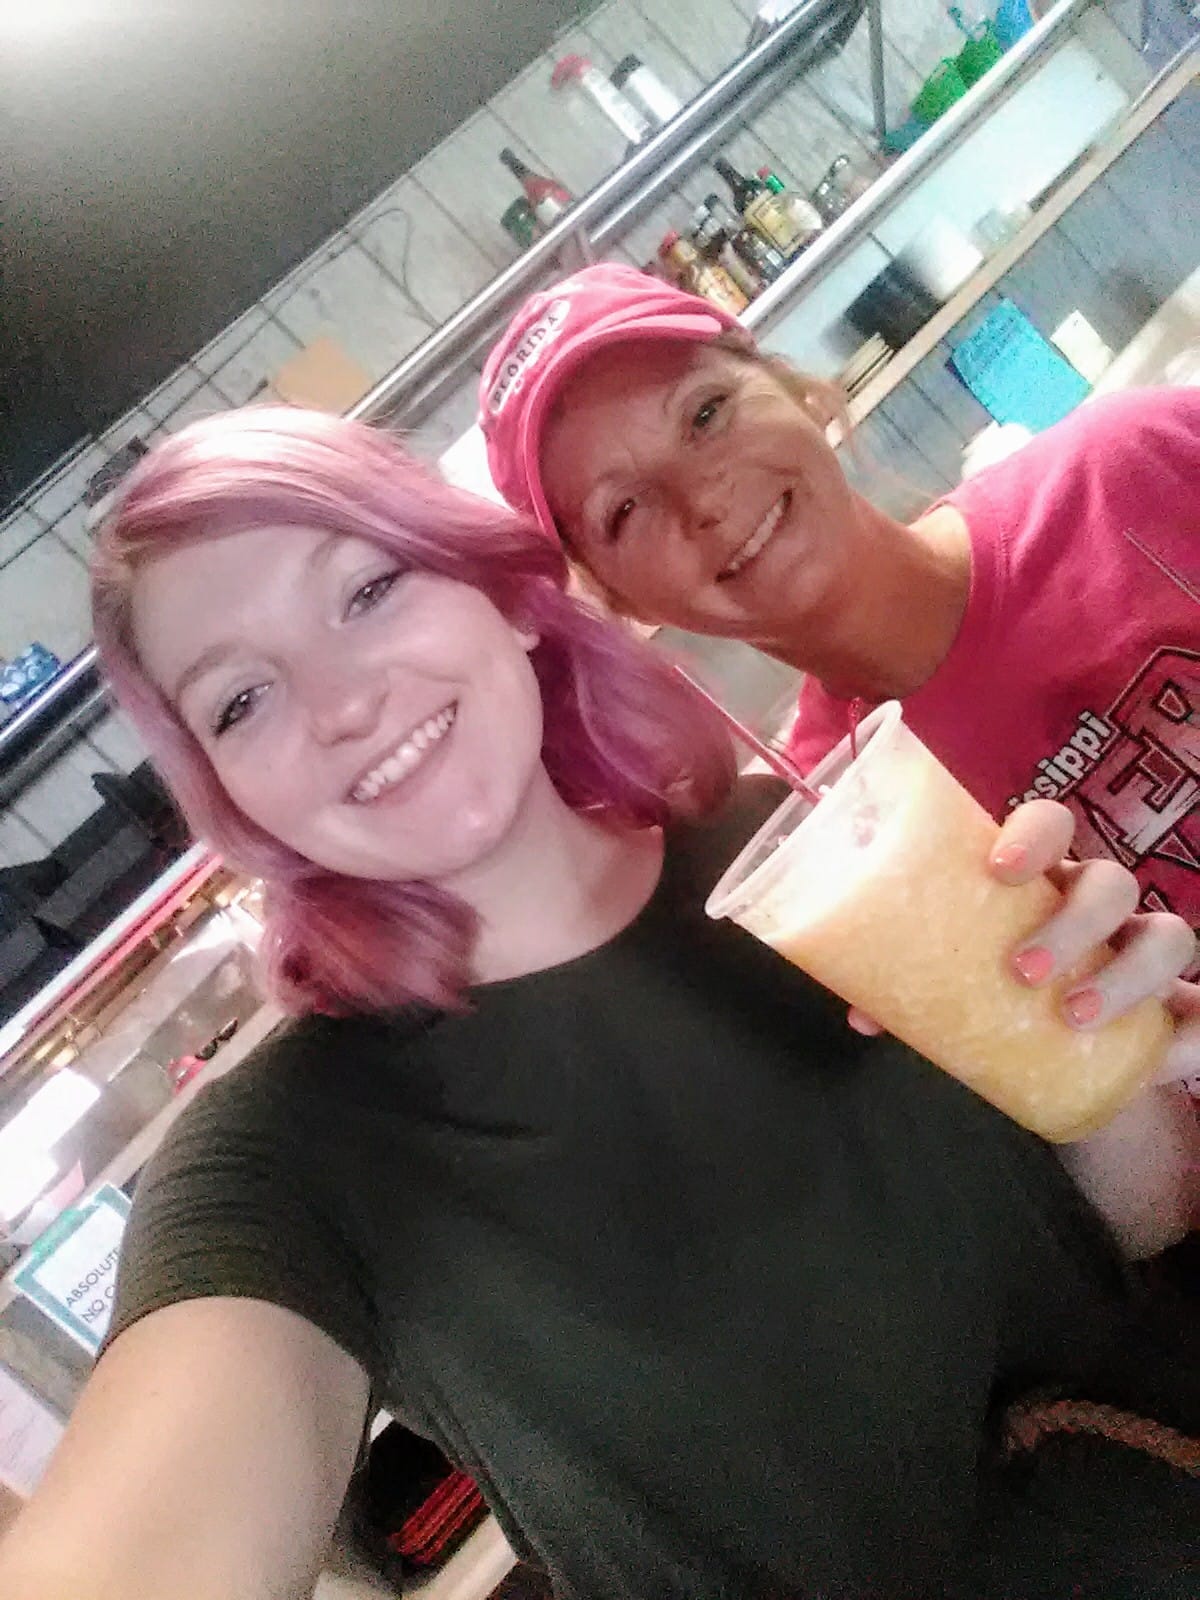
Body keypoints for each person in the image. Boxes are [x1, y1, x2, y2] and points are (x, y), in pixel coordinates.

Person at [0, 407, 1195, 1600]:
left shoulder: (809, 854)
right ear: (236, 803)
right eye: (240, 702)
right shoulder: (280, 1159)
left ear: (505, 596)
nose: (342, 703)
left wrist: (1107, 1032)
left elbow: (1136, 1224)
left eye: (367, 591)